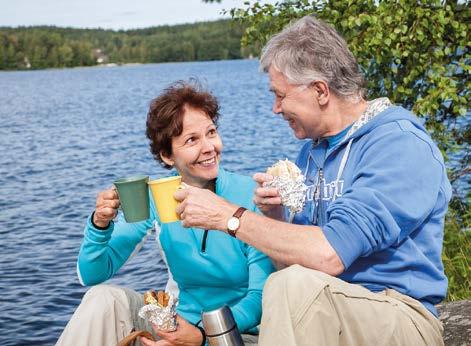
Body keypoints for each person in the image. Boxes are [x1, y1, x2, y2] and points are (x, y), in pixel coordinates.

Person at [173, 16, 452, 345]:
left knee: (290, 287)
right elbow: (292, 265)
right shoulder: (311, 154)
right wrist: (276, 217)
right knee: (289, 282)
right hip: (328, 311)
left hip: (399, 315)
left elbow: (329, 254)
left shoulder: (398, 144)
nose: (275, 109)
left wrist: (229, 217)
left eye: (280, 95)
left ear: (320, 90)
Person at [57, 81, 274, 346]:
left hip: (241, 332)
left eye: (211, 132)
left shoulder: (251, 196)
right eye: (192, 140)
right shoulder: (156, 197)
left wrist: (202, 336)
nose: (209, 147)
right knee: (102, 299)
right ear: (167, 156)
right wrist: (99, 225)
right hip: (177, 326)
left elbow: (260, 297)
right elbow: (92, 274)